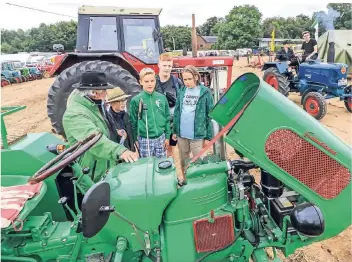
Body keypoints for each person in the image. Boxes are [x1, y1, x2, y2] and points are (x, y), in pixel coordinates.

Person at [62, 71, 138, 190]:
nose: (106, 94)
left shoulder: (93, 107)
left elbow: (101, 128)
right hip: (92, 174)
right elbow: (93, 140)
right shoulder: (75, 114)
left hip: (104, 165)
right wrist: (120, 151)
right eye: (104, 91)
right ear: (94, 93)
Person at [172, 65, 214, 174]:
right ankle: (186, 182)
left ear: (196, 77)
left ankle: (200, 185)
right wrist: (175, 130)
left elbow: (210, 114)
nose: (187, 82)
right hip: (182, 135)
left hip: (197, 135)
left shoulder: (205, 92)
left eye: (189, 79)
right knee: (184, 162)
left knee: (199, 162)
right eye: (184, 79)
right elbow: (177, 111)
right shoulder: (182, 91)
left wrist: (209, 136)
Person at [129, 67, 171, 158]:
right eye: (146, 81)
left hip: (161, 138)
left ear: (155, 81)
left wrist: (167, 137)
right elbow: (133, 122)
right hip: (145, 139)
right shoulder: (136, 100)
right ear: (141, 82)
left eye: (152, 81)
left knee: (162, 164)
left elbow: (167, 118)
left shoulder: (162, 98)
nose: (150, 84)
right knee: (147, 166)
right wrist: (135, 140)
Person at [155, 53, 183, 157]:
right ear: (159, 65)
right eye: (164, 65)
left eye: (169, 66)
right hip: (159, 123)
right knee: (161, 150)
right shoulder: (153, 82)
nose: (167, 68)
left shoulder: (176, 82)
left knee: (174, 151)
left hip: (173, 123)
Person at [103, 87, 136, 152]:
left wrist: (134, 149)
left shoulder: (126, 115)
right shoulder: (108, 120)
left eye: (124, 100)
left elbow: (131, 136)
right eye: (120, 100)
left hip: (131, 153)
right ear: (111, 103)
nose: (123, 103)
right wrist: (116, 132)